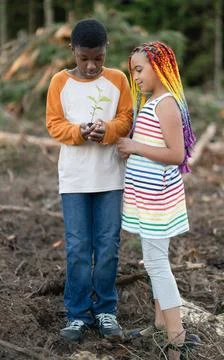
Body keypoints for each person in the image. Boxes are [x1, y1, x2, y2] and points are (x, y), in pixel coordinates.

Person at [46, 18, 132, 343]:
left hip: (110, 177)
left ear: (106, 49)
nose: (92, 65)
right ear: (73, 51)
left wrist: (107, 131)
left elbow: (125, 118)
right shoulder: (58, 82)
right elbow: (54, 123)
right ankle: (78, 313)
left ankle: (106, 309)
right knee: (78, 247)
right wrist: (79, 132)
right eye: (84, 58)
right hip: (74, 179)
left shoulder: (118, 80)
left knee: (108, 245)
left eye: (98, 58)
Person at [117, 41, 199, 360]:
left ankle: (175, 339)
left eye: (139, 70)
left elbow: (176, 154)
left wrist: (135, 147)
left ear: (159, 67)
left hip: (158, 200)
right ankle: (158, 323)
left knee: (155, 263)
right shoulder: (152, 102)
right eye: (132, 71)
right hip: (147, 197)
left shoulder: (165, 104)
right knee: (154, 261)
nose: (135, 77)